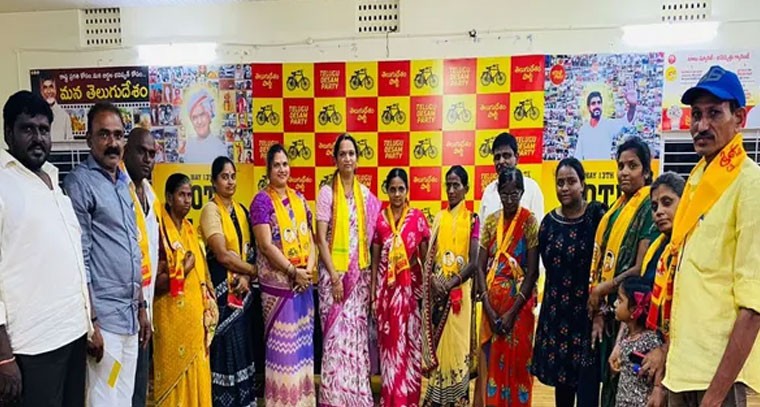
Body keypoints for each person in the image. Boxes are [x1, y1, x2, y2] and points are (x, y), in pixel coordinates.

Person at [662, 65, 760, 406]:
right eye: (696, 114)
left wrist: (715, 397)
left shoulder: (750, 185)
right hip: (681, 372)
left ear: (739, 118)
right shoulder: (696, 181)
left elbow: (753, 306)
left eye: (714, 113)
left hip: (717, 379)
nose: (701, 125)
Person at [0, 91, 91, 406]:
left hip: (73, 333)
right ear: (8, 132)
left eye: (43, 129)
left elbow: (73, 259)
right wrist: (3, 356)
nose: (38, 138)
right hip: (32, 346)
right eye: (27, 129)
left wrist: (89, 322)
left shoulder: (54, 182)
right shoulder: (3, 184)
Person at [64, 102, 151, 406]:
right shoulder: (80, 183)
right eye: (104, 134)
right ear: (89, 139)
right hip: (104, 321)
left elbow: (133, 249)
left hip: (130, 316)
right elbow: (81, 258)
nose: (112, 142)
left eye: (117, 135)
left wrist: (142, 307)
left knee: (124, 398)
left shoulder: (123, 183)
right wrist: (91, 322)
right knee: (104, 399)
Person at [587, 137, 659, 407]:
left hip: (634, 315)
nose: (624, 172)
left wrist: (603, 289)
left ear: (646, 172)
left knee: (628, 390)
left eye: (633, 165)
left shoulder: (648, 207)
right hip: (612, 311)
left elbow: (640, 267)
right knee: (610, 386)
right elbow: (602, 262)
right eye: (621, 166)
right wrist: (599, 309)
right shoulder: (615, 210)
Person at [531, 158, 607, 407]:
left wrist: (600, 310)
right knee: (562, 391)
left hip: (587, 315)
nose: (564, 187)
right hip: (558, 316)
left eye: (571, 181)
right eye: (560, 182)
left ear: (582, 184)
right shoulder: (548, 224)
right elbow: (547, 265)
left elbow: (606, 262)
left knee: (587, 391)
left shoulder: (596, 216)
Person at [315, 133, 381, 407]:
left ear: (357, 158)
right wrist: (334, 277)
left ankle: (357, 398)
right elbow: (320, 239)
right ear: (335, 159)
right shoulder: (326, 193)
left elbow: (373, 240)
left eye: (351, 153)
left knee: (355, 339)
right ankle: (334, 399)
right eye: (342, 154)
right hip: (333, 279)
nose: (347, 158)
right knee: (335, 340)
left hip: (358, 281)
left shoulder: (366, 196)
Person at [250, 144, 317, 406]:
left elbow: (312, 240)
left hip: (303, 287)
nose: (282, 169)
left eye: (285, 164)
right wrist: (292, 271)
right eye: (276, 165)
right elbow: (266, 245)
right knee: (285, 355)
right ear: (268, 170)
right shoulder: (261, 201)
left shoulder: (300, 199)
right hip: (279, 291)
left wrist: (308, 271)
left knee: (302, 351)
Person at [476, 167, 540, 407]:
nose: (510, 199)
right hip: (491, 307)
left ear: (522, 193)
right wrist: (488, 307)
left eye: (515, 194)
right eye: (505, 194)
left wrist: (512, 312)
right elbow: (479, 266)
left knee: (519, 366)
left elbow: (532, 272)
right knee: (492, 364)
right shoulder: (491, 221)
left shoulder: (529, 222)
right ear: (499, 193)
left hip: (519, 310)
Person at [152, 173, 217, 406]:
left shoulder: (190, 229)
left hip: (195, 323)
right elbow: (154, 284)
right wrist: (184, 269)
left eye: (189, 195)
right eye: (182, 195)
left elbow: (203, 275)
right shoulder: (159, 232)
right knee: (174, 383)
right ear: (169, 198)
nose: (187, 200)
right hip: (170, 322)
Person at [199, 156, 258, 407]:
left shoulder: (242, 211)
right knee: (224, 350)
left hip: (242, 294)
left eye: (233, 176)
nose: (230, 181)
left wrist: (246, 276)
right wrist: (253, 271)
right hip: (222, 298)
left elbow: (250, 251)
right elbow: (222, 255)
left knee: (242, 348)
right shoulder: (210, 211)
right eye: (225, 177)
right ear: (214, 181)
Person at [420, 165, 480, 407]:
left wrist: (452, 282)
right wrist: (435, 281)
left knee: (457, 349)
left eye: (457, 185)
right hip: (439, 296)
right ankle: (436, 401)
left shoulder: (473, 220)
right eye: (449, 185)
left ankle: (457, 400)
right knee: (442, 350)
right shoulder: (439, 218)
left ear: (466, 188)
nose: (452, 190)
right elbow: (430, 258)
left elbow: (474, 262)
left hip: (460, 297)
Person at [371, 168, 431, 407]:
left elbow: (426, 259)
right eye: (392, 189)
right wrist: (373, 295)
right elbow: (375, 261)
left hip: (410, 296)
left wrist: (427, 292)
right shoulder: (380, 220)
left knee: (410, 347)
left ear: (407, 191)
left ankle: (409, 400)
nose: (397, 194)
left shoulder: (417, 219)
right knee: (390, 350)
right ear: (387, 191)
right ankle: (392, 400)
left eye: (401, 189)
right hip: (387, 297)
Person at [122, 127, 160, 407]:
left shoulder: (150, 194)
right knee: (119, 389)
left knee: (139, 387)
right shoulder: (118, 189)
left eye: (152, 154)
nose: (147, 159)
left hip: (147, 305)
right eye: (141, 152)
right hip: (124, 309)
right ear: (126, 151)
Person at [610, 277, 663, 407]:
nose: (615, 304)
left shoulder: (650, 341)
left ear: (634, 309)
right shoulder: (627, 335)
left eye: (620, 300)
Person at [479, 132, 544, 227]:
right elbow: (482, 230)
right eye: (497, 157)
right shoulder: (489, 191)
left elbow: (537, 228)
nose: (501, 161)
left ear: (517, 158)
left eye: (506, 156)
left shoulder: (532, 188)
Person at [574, 88, 638, 160]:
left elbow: (626, 121)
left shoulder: (608, 125)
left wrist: (632, 106)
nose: (596, 106)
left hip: (605, 166)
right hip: (588, 166)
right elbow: (578, 155)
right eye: (593, 103)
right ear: (589, 107)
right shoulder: (584, 129)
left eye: (599, 103)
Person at [184, 89, 228, 164]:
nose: (199, 121)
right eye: (194, 117)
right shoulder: (189, 146)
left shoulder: (219, 148)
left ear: (209, 116)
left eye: (202, 115)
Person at [38, 73, 73, 142]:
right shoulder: (36, 115)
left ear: (56, 89)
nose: (48, 91)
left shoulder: (64, 116)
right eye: (45, 87)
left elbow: (70, 142)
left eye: (51, 87)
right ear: (41, 91)